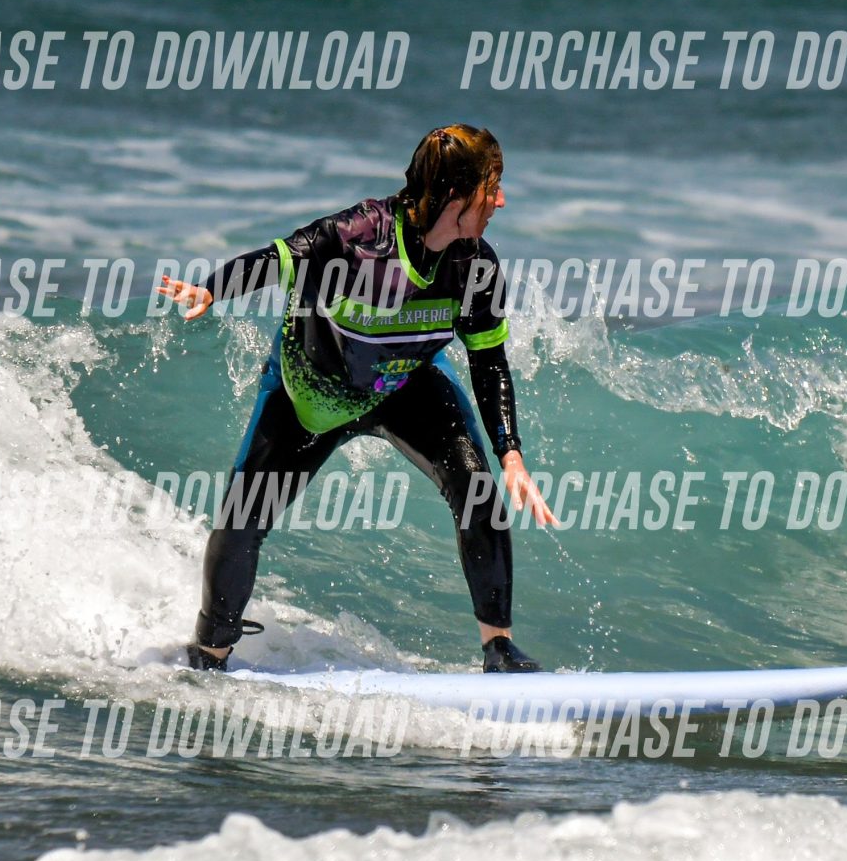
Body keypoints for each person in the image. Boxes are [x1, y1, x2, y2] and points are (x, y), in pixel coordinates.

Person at [156, 124, 561, 673]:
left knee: (478, 490)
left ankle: (499, 649)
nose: (501, 201)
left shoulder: (475, 268)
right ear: (457, 196)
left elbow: (489, 362)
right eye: (493, 187)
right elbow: (278, 259)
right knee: (242, 519)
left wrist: (510, 451)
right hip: (312, 391)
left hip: (403, 386)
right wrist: (212, 287)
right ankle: (209, 654)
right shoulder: (357, 237)